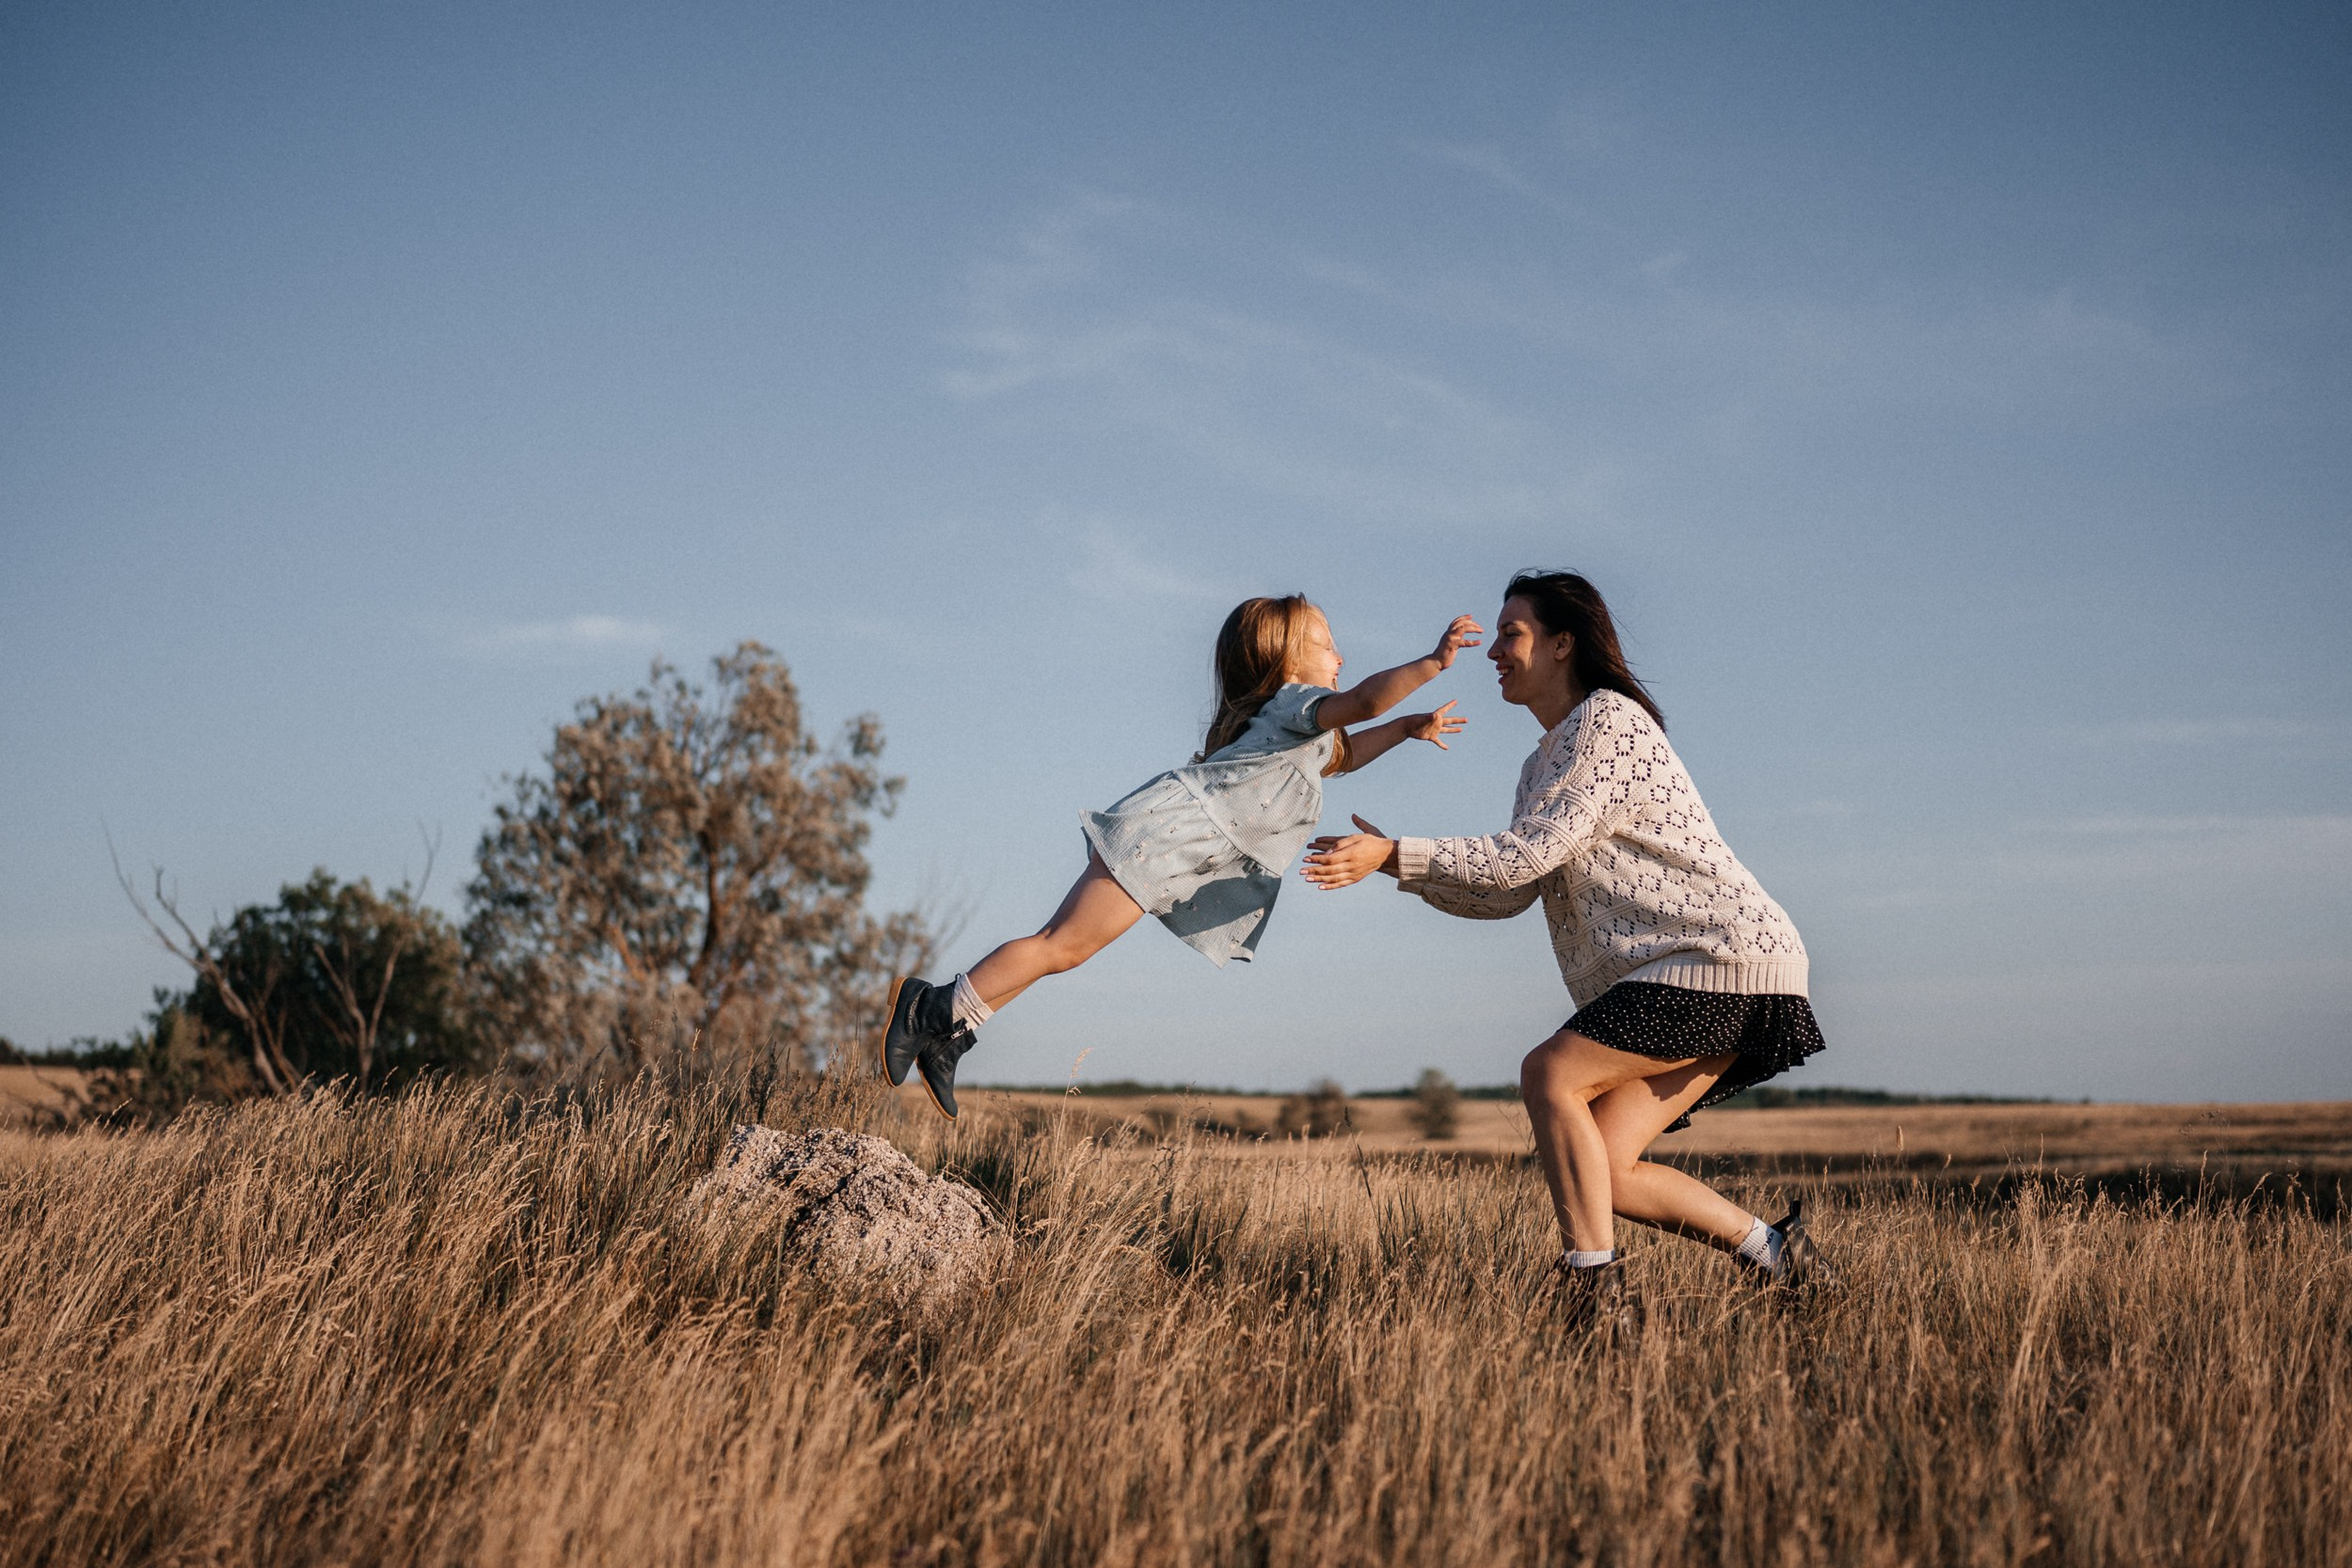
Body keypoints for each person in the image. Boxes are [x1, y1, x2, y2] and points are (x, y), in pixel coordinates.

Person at [1303, 570, 1831, 1314]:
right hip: (1707, 967)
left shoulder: (1606, 724)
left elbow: (1520, 857)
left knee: (1550, 1074)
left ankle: (1594, 1294)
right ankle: (1779, 1256)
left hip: (1717, 958)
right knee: (1606, 1170)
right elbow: (1514, 890)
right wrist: (1400, 866)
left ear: (1561, 643)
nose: (1494, 650)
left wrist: (1397, 854)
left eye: (1510, 632)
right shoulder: (1542, 761)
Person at [882, 594, 1484, 1119]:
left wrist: (1408, 729)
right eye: (1327, 645)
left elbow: (1347, 753)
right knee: (1059, 945)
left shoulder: (1304, 734)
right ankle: (927, 1007)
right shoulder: (1293, 705)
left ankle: (949, 1034)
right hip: (1167, 836)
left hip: (1176, 846)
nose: (1340, 657)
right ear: (1285, 663)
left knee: (1063, 951)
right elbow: (1364, 703)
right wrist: (1432, 663)